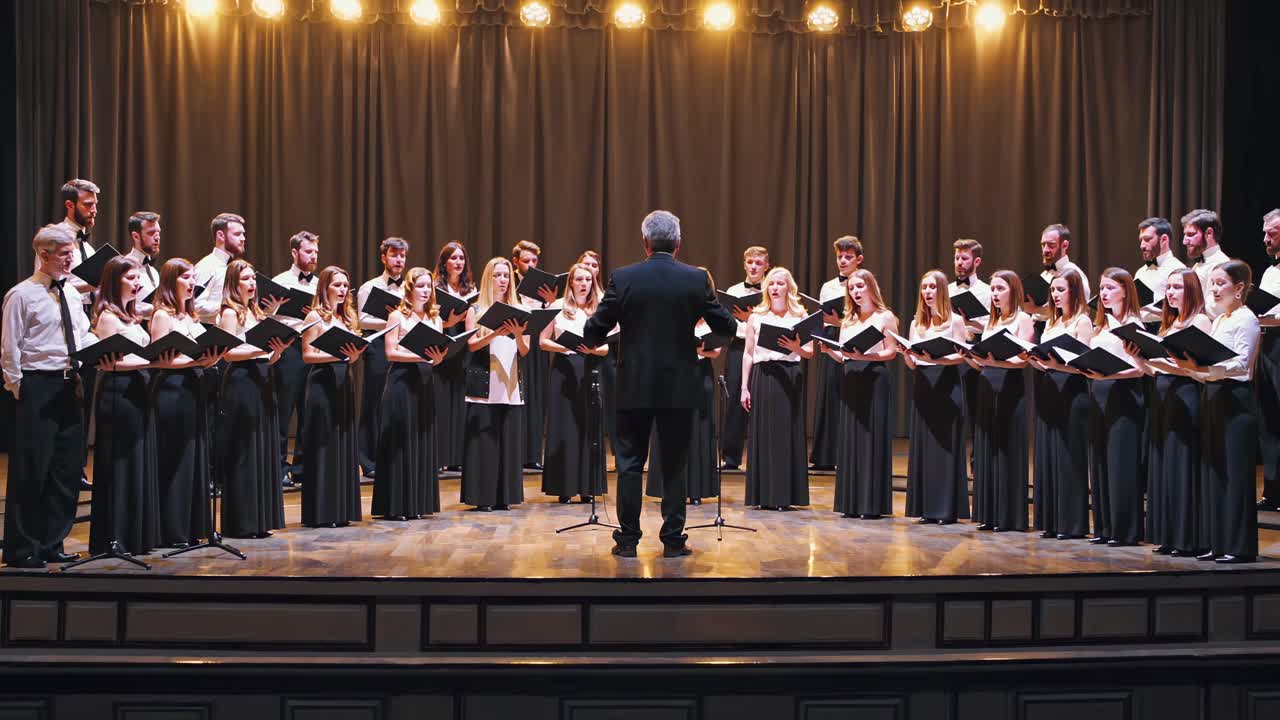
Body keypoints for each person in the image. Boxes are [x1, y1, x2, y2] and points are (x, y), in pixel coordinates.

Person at [582, 210, 735, 557]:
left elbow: (593, 332)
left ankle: (628, 540)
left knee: (630, 464)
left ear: (645, 243)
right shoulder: (695, 279)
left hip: (633, 386)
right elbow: (727, 327)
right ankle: (673, 541)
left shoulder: (624, 278)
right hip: (679, 387)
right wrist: (698, 340)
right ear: (678, 244)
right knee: (675, 465)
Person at [2, 225, 96, 568]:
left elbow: (82, 336)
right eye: (64, 253)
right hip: (37, 386)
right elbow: (9, 349)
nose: (72, 258)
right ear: (44, 255)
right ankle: (21, 548)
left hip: (70, 384)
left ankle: (51, 542)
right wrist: (20, 388)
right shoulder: (21, 295)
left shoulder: (72, 293)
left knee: (66, 469)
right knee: (32, 468)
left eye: (72, 252)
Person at [1171, 260, 1262, 563]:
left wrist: (1206, 368)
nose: (1213, 288)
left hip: (1236, 400)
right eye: (1211, 283)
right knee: (1215, 472)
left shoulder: (1246, 319)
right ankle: (1218, 543)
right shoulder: (1221, 320)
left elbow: (1241, 363)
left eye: (1220, 283)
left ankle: (1239, 546)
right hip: (1213, 395)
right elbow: (1208, 372)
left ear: (1239, 288)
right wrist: (1191, 368)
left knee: (1234, 474)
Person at [1128, 269, 1211, 556]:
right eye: (1169, 288)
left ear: (1192, 290)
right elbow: (1155, 370)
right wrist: (1139, 357)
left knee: (1182, 464)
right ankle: (1169, 535)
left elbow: (1196, 367)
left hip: (1186, 395)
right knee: (1164, 465)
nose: (1171, 293)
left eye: (1178, 287)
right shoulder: (1169, 324)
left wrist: (1170, 361)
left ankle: (1186, 538)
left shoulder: (1199, 320)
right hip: (1164, 396)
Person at [87, 256, 161, 557]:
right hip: (118, 392)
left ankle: (135, 534)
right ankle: (113, 537)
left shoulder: (132, 317)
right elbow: (113, 361)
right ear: (115, 280)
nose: (137, 282)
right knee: (119, 465)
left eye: (138, 278)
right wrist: (155, 360)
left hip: (138, 389)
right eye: (131, 278)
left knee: (137, 462)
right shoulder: (107, 316)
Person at [148, 258, 224, 547]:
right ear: (170, 281)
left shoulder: (191, 317)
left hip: (195, 388)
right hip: (171, 391)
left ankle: (194, 527)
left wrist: (211, 358)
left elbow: (196, 355)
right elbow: (159, 360)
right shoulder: (162, 316)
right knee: (175, 460)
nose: (192, 283)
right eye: (185, 278)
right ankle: (172, 530)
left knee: (194, 460)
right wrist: (195, 360)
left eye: (193, 278)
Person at [216, 259, 291, 538]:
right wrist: (256, 348)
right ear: (234, 283)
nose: (252, 284)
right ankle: (241, 522)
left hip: (262, 378)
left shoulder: (257, 312)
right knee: (245, 450)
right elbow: (228, 353)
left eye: (253, 279)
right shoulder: (230, 313)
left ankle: (260, 519)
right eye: (246, 279)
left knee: (262, 448)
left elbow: (267, 356)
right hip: (241, 380)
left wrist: (278, 350)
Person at [1024, 269, 1093, 540]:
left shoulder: (1082, 321)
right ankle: (1051, 521)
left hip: (1072, 391)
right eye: (1053, 290)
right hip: (1049, 387)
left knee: (1069, 456)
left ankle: (1073, 524)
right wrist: (1035, 360)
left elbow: (1085, 365)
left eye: (1061, 290)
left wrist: (1057, 364)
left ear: (1074, 292)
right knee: (1049, 455)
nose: (1055, 295)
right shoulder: (1052, 322)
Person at [645, 268, 724, 505]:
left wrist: (696, 348)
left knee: (699, 429)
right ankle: (666, 487)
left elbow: (716, 351)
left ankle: (697, 488)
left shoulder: (713, 315)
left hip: (701, 375)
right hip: (673, 375)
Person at [1081, 268, 1147, 547]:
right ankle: (1105, 526)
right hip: (1099, 392)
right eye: (1102, 288)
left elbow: (1139, 369)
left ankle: (1125, 530)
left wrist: (1109, 375)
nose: (1104, 294)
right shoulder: (1102, 324)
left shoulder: (1134, 325)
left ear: (1125, 291)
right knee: (1100, 463)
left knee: (1121, 463)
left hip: (1124, 394)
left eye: (1110, 288)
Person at [824, 269, 897, 519]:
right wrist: (828, 350)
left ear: (870, 288)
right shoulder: (848, 320)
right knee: (852, 436)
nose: (855, 292)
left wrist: (864, 356)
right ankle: (852, 501)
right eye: (852, 288)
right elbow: (845, 355)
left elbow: (891, 352)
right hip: (851, 377)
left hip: (875, 376)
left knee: (871, 436)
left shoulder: (885, 316)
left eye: (860, 287)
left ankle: (872, 504)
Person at [741, 267, 815, 512]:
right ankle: (764, 494)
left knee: (786, 433)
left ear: (789, 288)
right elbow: (748, 353)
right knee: (764, 433)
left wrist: (796, 346)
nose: (775, 288)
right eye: (771, 284)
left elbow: (810, 352)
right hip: (764, 375)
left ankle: (785, 494)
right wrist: (744, 387)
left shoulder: (800, 315)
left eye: (780, 284)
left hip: (790, 375)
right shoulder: (757, 316)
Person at [966, 270, 1034, 533]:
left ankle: (1010, 516)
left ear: (1013, 291)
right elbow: (983, 361)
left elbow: (1022, 359)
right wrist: (968, 354)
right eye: (992, 289)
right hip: (986, 383)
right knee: (987, 448)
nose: (994, 294)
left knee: (1007, 448)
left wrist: (994, 361)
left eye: (1000, 289)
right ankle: (988, 513)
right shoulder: (992, 323)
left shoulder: (1023, 320)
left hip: (1009, 387)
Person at [375, 266, 445, 521]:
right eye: (421, 286)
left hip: (425, 382)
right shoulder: (397, 316)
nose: (426, 291)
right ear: (410, 288)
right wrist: (422, 356)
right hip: (402, 382)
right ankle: (396, 505)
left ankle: (418, 501)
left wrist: (436, 358)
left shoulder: (435, 319)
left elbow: (437, 356)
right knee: (401, 440)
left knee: (421, 439)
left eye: (429, 286)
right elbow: (391, 352)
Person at [300, 266, 367, 528]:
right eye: (336, 285)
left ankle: (341, 509)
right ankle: (321, 512)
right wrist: (338, 356)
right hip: (321, 382)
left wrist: (354, 355)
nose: (341, 290)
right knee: (324, 444)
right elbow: (307, 355)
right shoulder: (315, 316)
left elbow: (353, 354)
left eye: (344, 286)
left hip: (344, 381)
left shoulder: (347, 317)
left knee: (343, 442)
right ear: (324, 287)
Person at [462, 257, 530, 511]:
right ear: (488, 278)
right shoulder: (476, 310)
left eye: (506, 276)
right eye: (498, 275)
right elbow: (471, 345)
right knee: (484, 441)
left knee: (507, 441)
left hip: (510, 382)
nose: (503, 280)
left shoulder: (519, 309)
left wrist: (520, 333)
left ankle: (504, 496)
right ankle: (483, 497)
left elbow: (525, 351)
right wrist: (494, 333)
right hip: (484, 382)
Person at [902, 270, 969, 525]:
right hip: (923, 384)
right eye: (924, 287)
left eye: (932, 287)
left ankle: (945, 510)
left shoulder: (955, 321)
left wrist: (936, 358)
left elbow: (961, 354)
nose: (927, 291)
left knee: (945, 447)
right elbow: (912, 364)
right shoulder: (916, 322)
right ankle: (926, 508)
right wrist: (906, 353)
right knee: (924, 447)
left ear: (941, 290)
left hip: (946, 384)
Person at [541, 263, 611, 503]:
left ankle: (588, 487)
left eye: (588, 280)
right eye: (579, 279)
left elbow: (608, 346)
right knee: (564, 427)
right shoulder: (558, 307)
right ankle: (564, 486)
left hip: (590, 368)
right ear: (570, 282)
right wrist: (565, 346)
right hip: (564, 369)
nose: (584, 284)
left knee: (588, 427)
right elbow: (542, 341)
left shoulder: (600, 310)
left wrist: (594, 349)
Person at [356, 236, 408, 480]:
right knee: (374, 401)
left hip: (404, 347)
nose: (398, 260)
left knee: (398, 401)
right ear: (383, 257)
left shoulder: (411, 287)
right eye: (394, 255)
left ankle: (394, 456)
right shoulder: (370, 287)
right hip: (377, 346)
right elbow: (362, 320)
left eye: (402, 256)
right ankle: (368, 460)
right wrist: (391, 320)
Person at [271, 230, 321, 486]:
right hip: (289, 349)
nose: (313, 257)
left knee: (308, 409)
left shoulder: (319, 285)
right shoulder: (279, 281)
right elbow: (268, 318)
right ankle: (279, 468)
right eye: (308, 251)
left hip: (312, 348)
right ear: (294, 252)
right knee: (283, 410)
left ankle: (301, 467)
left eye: (315, 252)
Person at [810, 236, 864, 471]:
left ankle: (850, 454)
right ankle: (825, 455)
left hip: (855, 340)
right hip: (831, 339)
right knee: (830, 393)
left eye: (848, 257)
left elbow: (867, 318)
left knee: (851, 394)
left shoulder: (864, 283)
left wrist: (839, 321)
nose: (842, 261)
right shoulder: (829, 286)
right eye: (839, 257)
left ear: (858, 259)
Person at [720, 246, 770, 471]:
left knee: (764, 400)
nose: (753, 266)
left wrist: (752, 318)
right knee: (734, 401)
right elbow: (730, 325)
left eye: (758, 263)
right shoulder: (734, 290)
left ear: (766, 266)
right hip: (739, 347)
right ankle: (730, 457)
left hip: (765, 347)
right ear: (744, 264)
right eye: (750, 262)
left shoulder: (773, 289)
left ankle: (764, 458)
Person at [512, 240, 556, 471]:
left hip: (537, 345)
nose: (530, 265)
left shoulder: (542, 287)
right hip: (516, 343)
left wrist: (549, 302)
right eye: (526, 261)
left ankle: (533, 453)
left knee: (537, 396)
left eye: (534, 261)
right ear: (516, 262)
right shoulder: (509, 283)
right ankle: (517, 452)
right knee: (518, 394)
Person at [432, 242, 475, 472]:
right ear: (444, 262)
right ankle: (439, 457)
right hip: (441, 344)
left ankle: (457, 457)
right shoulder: (434, 286)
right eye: (453, 258)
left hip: (463, 346)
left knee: (460, 401)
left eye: (461, 258)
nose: (458, 262)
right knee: (440, 401)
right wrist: (448, 323)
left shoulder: (470, 289)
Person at [1253, 209, 1280, 511]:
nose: (1265, 239)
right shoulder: (1270, 271)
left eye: (1271, 232)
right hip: (1268, 345)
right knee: (1268, 420)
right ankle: (1273, 491)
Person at [1026, 224, 1090, 323]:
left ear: (1064, 245)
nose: (1045, 250)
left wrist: (1034, 309)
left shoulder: (1074, 273)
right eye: (1043, 245)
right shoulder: (1045, 274)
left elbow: (1079, 311)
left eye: (1051, 245)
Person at [1134, 217, 1186, 324]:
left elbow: (1184, 310)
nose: (1142, 245)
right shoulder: (1141, 271)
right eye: (1141, 240)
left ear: (1164, 239)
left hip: (1165, 328)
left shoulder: (1178, 269)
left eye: (1147, 239)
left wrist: (1150, 307)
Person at [1182, 209, 1229, 317]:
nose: (1184, 241)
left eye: (1190, 234)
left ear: (1208, 233)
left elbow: (1216, 309)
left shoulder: (1221, 264)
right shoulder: (1200, 263)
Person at [125, 211, 162, 317]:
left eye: (158, 232)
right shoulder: (123, 268)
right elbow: (117, 306)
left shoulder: (153, 272)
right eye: (151, 233)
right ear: (136, 236)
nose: (157, 237)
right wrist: (152, 309)